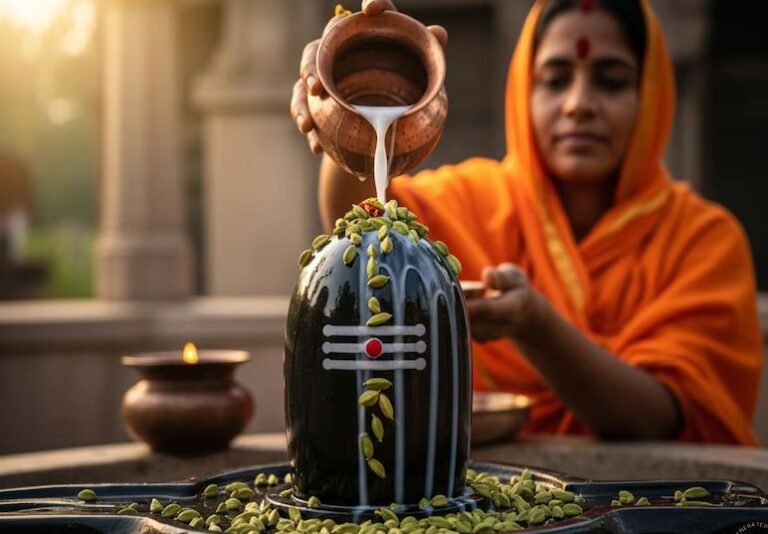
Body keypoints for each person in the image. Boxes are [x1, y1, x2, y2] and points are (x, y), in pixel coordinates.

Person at [290, 0, 763, 444]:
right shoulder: (475, 200)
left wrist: (537, 328)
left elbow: (661, 415)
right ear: (522, 90)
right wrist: (347, 100)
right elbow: (365, 220)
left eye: (611, 81)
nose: (579, 104)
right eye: (555, 80)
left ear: (652, 95)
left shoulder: (703, 240)